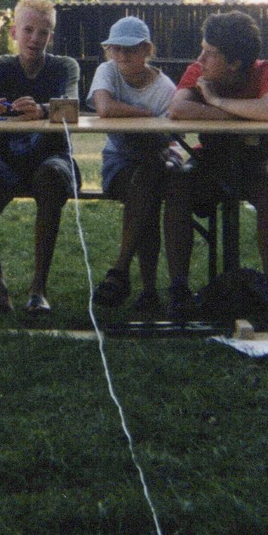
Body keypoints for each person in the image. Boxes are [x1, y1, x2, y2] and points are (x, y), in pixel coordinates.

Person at [162, 10, 268, 320]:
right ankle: (179, 289)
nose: (200, 58)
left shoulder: (265, 71)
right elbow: (178, 108)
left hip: (258, 161)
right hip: (212, 160)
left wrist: (217, 102)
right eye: (202, 50)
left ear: (234, 63)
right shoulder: (198, 71)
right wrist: (241, 114)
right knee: (177, 183)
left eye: (209, 53)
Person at [0, 0, 81, 316]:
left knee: (50, 176)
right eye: (28, 30)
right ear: (14, 32)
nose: (34, 39)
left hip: (55, 158)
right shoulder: (1, 66)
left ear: (51, 37)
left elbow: (74, 109)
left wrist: (42, 110)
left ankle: (38, 289)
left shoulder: (65, 66)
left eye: (43, 32)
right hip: (7, 161)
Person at [87, 16, 178, 316]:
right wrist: (146, 116)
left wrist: (146, 130)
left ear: (147, 50)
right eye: (116, 49)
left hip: (155, 160)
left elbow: (169, 139)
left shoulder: (165, 88)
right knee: (145, 189)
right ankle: (143, 287)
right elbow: (104, 107)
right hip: (118, 162)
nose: (122, 55)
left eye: (131, 49)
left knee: (147, 184)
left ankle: (124, 274)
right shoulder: (107, 71)